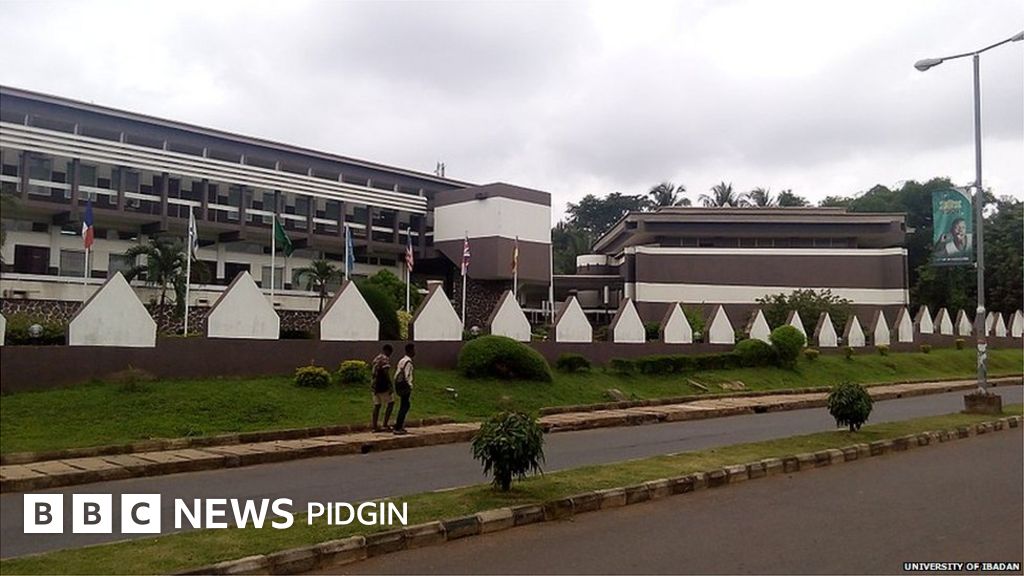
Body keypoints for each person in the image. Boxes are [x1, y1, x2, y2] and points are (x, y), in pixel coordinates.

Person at [392, 343, 415, 435]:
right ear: (410, 351)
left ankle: (398, 425)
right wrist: (409, 386)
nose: (414, 352)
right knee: (404, 406)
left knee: (404, 405)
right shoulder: (408, 362)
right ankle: (398, 426)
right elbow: (406, 375)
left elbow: (396, 374)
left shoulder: (401, 360)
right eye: (413, 350)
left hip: (399, 385)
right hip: (405, 386)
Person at [370, 344, 394, 432]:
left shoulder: (376, 359)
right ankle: (385, 424)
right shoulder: (385, 359)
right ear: (388, 351)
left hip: (374, 385)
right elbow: (386, 373)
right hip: (383, 386)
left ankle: (374, 426)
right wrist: (390, 385)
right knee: (391, 403)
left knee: (377, 405)